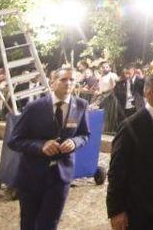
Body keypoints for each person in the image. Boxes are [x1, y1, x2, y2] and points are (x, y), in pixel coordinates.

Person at [6, 67, 91, 230]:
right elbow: (14, 140)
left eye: (72, 79)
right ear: (52, 83)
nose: (68, 83)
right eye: (64, 79)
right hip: (32, 175)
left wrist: (74, 142)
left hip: (61, 177)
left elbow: (85, 134)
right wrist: (40, 146)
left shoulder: (81, 105)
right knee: (29, 223)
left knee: (49, 223)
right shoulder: (34, 107)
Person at [107, 71, 153, 230]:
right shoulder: (130, 126)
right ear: (148, 94)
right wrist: (116, 210)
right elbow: (116, 171)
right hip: (139, 209)